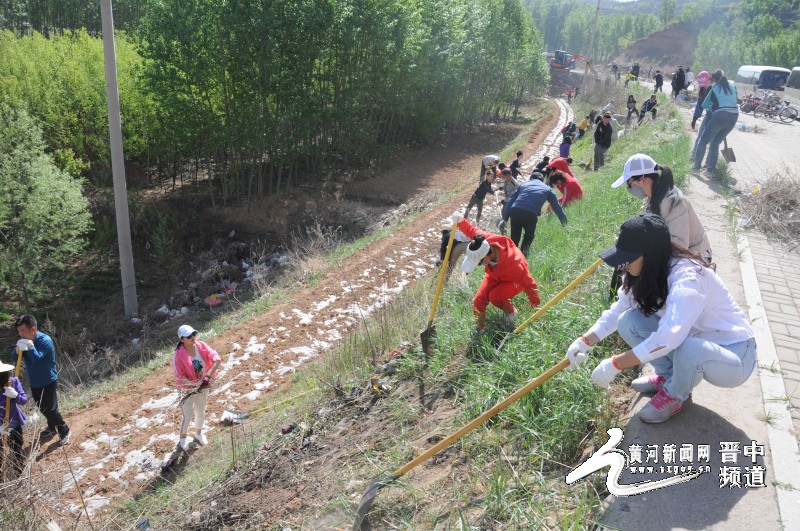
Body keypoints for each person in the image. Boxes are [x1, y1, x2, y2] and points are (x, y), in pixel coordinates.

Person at [565, 213, 756, 423]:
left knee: (690, 348)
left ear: (650, 254)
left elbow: (668, 338)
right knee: (628, 321)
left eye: (629, 258)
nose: (624, 264)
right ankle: (668, 378)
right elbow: (618, 311)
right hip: (693, 341)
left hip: (734, 356)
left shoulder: (687, 278)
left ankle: (675, 394)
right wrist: (584, 342)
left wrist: (615, 364)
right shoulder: (645, 271)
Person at [451, 212, 540, 330]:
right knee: (478, 301)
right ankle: (480, 327)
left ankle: (511, 313)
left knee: (495, 297)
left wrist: (535, 309)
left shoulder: (515, 264)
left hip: (513, 280)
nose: (480, 265)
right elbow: (470, 230)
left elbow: (531, 286)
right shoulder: (482, 241)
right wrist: (460, 221)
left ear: (488, 256)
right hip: (495, 274)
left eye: (480, 262)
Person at [612, 154, 711, 259]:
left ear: (642, 180)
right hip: (679, 253)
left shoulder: (672, 202)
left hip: (698, 256)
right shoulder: (654, 195)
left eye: (629, 183)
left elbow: (680, 246)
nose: (630, 188)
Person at [14, 315, 70, 446]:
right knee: (42, 407)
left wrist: (30, 346)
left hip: (48, 380)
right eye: (19, 331)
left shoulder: (45, 340)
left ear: (32, 329)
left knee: (50, 409)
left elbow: (37, 358)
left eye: (22, 330)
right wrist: (17, 350)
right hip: (35, 381)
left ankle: (64, 430)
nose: (20, 334)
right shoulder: (24, 340)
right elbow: (15, 357)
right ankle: (51, 427)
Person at [173, 324, 221, 451]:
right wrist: (193, 385)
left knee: (200, 410)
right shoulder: (179, 355)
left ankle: (198, 433)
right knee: (187, 415)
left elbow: (217, 359)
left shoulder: (202, 346)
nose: (193, 337)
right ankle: (182, 438)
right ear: (182, 339)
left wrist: (208, 376)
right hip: (187, 389)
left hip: (203, 384)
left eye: (194, 334)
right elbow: (179, 376)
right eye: (189, 336)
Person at [501, 178, 567, 254]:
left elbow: (511, 200)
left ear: (532, 180)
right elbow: (557, 207)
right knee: (529, 236)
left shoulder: (524, 185)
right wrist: (564, 222)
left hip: (515, 210)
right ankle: (523, 255)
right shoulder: (547, 189)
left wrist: (505, 218)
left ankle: (511, 256)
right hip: (530, 213)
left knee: (514, 237)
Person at [693, 69, 738, 177]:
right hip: (734, 117)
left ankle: (696, 168)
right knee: (715, 143)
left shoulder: (714, 88)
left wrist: (713, 109)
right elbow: (733, 102)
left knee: (703, 140)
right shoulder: (732, 87)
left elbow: (705, 105)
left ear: (714, 79)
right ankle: (709, 171)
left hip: (720, 115)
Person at [0, 361, 27, 477]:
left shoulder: (13, 382)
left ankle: (19, 472)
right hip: (0, 425)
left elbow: (24, 400)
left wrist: (15, 395)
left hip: (14, 422)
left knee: (17, 448)